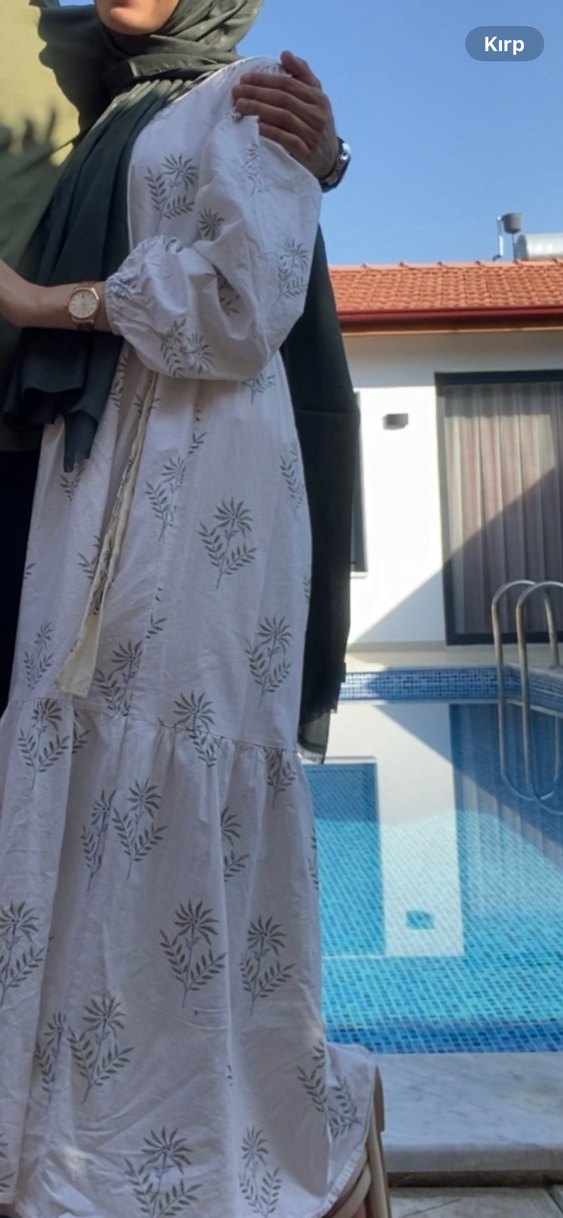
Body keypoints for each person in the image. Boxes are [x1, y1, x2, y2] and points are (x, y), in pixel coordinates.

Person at [0, 1, 387, 1217]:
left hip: (189, 470)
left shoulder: (244, 89)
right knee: (82, 767)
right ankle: (63, 1109)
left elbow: (240, 306)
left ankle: (175, 1123)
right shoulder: (95, 77)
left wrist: (42, 304)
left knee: (169, 754)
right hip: (85, 465)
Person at [0, 0, 351, 716]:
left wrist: (325, 160)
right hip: (76, 441)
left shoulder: (64, 38)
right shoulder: (110, 64)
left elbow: (240, 271)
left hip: (52, 439)